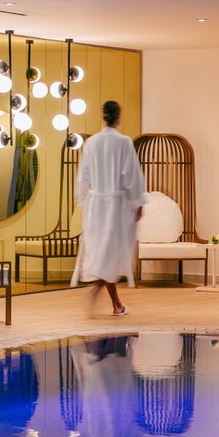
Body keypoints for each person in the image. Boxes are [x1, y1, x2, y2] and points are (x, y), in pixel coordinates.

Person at [71, 100, 147, 316]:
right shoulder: (123, 142)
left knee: (103, 252)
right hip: (116, 206)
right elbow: (131, 174)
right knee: (111, 253)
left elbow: (83, 176)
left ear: (103, 116)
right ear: (118, 117)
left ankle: (116, 304)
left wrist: (83, 200)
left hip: (95, 205)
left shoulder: (91, 143)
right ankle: (99, 292)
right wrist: (138, 202)